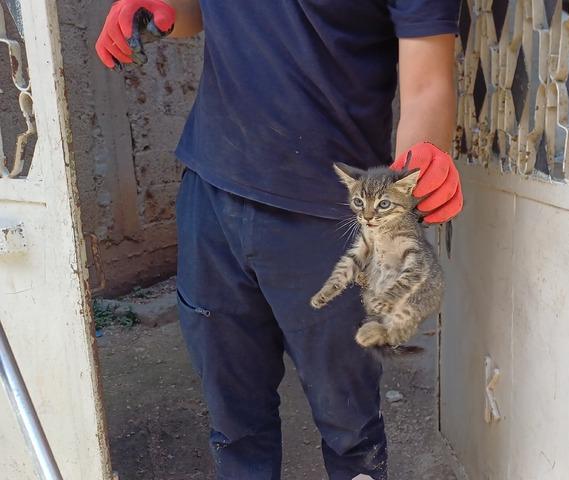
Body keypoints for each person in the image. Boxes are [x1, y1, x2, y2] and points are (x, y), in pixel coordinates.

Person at [95, 1, 463, 479]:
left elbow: (428, 83)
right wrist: (156, 9)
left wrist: (423, 158)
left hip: (330, 220)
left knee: (349, 426)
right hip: (213, 196)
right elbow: (195, 13)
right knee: (235, 422)